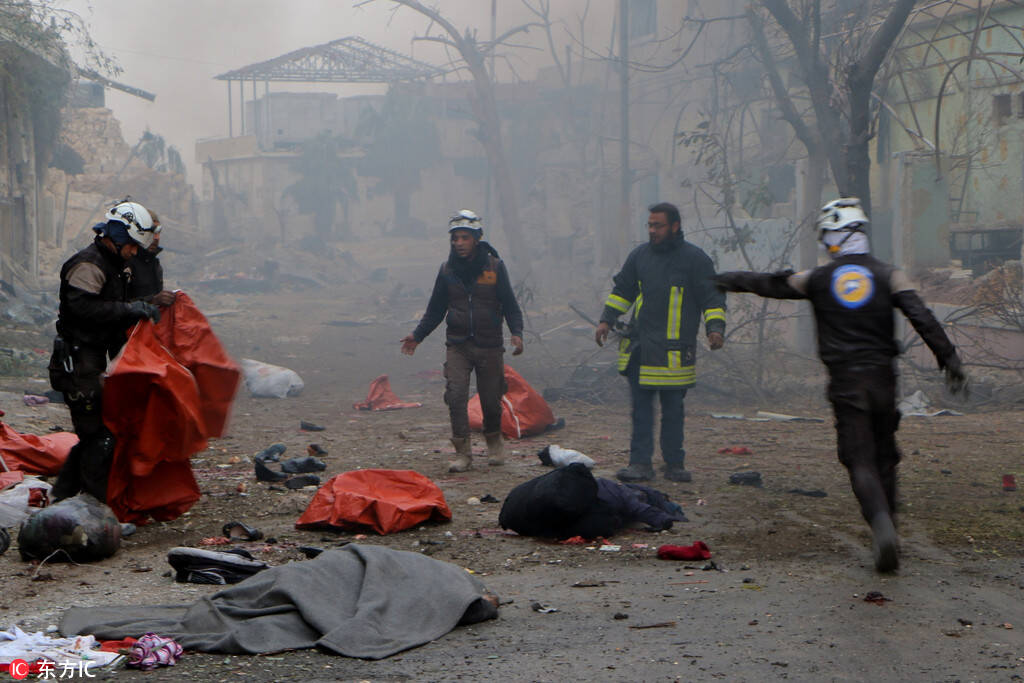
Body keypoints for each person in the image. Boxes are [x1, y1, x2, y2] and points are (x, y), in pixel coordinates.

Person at [714, 197, 967, 573]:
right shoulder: (889, 275)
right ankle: (890, 531)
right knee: (886, 456)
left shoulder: (818, 278)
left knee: (858, 457)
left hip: (846, 381)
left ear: (835, 236)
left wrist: (722, 280)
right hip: (883, 380)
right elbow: (922, 316)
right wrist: (949, 359)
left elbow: (769, 283)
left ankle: (880, 527)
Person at [595, 202, 726, 483]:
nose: (652, 231)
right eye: (650, 225)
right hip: (641, 348)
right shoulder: (640, 256)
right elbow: (623, 290)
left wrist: (715, 328)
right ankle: (640, 464)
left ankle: (674, 465)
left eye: (658, 225)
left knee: (673, 412)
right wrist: (606, 319)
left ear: (675, 226)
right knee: (641, 412)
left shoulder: (695, 260)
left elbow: (712, 298)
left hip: (676, 352)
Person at [48, 199, 163, 502]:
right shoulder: (88, 265)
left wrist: (149, 303)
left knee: (93, 436)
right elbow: (82, 306)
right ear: (120, 236)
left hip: (93, 359)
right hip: (78, 363)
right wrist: (130, 309)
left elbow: (112, 304)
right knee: (99, 438)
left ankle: (62, 500)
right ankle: (94, 508)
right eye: (133, 245)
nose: (135, 252)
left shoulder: (114, 265)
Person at [401, 209, 524, 472]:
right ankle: (463, 453)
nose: (458, 243)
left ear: (476, 239)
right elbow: (436, 310)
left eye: (464, 237)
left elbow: (510, 305)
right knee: (455, 396)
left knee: (491, 400)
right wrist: (417, 335)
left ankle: (493, 441)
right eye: (455, 238)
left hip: (489, 346)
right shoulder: (447, 271)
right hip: (458, 345)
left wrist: (517, 333)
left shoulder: (494, 267)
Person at [128, 209, 176, 306]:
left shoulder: (154, 264)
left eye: (158, 232)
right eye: (152, 232)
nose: (156, 238)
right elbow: (116, 307)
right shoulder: (124, 263)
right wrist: (151, 301)